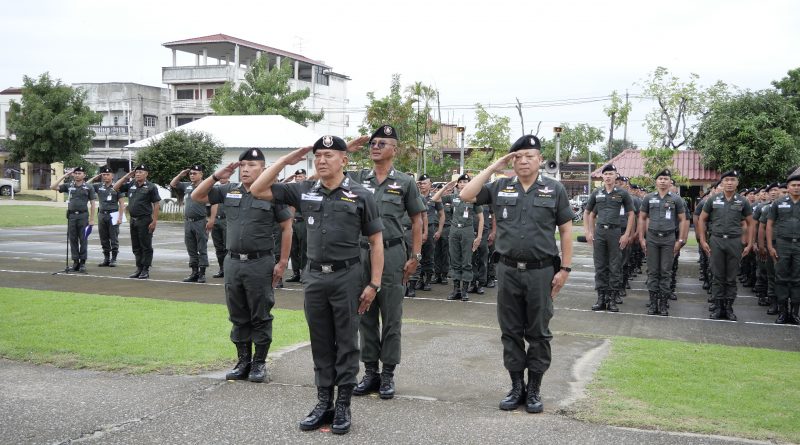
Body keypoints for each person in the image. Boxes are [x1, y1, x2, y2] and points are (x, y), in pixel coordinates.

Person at [250, 135, 384, 435]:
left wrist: (374, 283)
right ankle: (324, 402)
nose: (321, 160)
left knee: (347, 343)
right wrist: (286, 160)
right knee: (321, 341)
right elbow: (257, 189)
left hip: (347, 277)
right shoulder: (304, 191)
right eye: (317, 156)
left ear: (344, 160)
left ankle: (344, 405)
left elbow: (376, 242)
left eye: (328, 155)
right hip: (314, 278)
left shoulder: (361, 195)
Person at [460, 135, 573, 414]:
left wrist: (565, 269)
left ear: (539, 159)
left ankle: (534, 389)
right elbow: (466, 195)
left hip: (541, 271)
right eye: (518, 156)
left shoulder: (554, 189)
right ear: (512, 160)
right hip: (508, 270)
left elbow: (567, 230)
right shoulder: (500, 186)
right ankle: (516, 387)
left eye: (529, 156)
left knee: (539, 333)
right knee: (510, 332)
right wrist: (494, 166)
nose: (523, 161)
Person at [192, 148, 293, 385]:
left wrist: (282, 262)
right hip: (233, 261)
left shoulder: (271, 194)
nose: (246, 169)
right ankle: (243, 361)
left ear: (263, 169)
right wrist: (217, 176)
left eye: (252, 165)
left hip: (260, 262)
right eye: (243, 165)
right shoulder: (230, 190)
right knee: (238, 314)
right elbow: (197, 197)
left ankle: (259, 363)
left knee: (260, 313)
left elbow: (287, 226)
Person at [346, 125, 425, 401]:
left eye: (382, 143)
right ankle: (370, 372)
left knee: (391, 316)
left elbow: (417, 220)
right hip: (361, 254)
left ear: (395, 149)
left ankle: (388, 373)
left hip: (392, 254)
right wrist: (344, 150)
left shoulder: (405, 182)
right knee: (364, 313)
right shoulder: (356, 178)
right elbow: (323, 174)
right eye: (373, 143)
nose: (375, 147)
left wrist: (415, 255)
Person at [697, 170, 754, 321]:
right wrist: (703, 240)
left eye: (732, 180)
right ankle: (717, 307)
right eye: (726, 180)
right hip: (716, 240)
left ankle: (728, 308)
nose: (729, 182)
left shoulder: (743, 201)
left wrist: (749, 243)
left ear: (737, 183)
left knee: (731, 276)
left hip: (734, 242)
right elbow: (702, 219)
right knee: (717, 275)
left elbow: (751, 223)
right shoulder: (712, 200)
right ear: (722, 183)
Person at [584, 164, 634, 312]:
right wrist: (588, 231)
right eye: (605, 174)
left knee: (615, 266)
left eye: (610, 174)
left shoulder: (623, 194)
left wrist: (626, 234)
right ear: (602, 176)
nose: (608, 176)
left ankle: (612, 299)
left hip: (615, 232)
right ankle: (601, 298)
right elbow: (588, 213)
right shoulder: (596, 193)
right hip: (600, 232)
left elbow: (631, 214)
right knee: (600, 266)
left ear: (615, 175)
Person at [637, 169, 688, 316]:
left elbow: (683, 220)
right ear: (656, 181)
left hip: (668, 239)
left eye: (666, 178)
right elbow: (642, 218)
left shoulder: (676, 199)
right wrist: (642, 238)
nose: (663, 181)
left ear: (670, 181)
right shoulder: (648, 198)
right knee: (653, 271)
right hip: (652, 238)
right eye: (660, 178)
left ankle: (664, 304)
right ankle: (653, 304)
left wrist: (680, 240)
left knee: (665, 272)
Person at [432, 176, 484, 301]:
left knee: (466, 261)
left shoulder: (473, 199)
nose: (462, 184)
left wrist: (479, 237)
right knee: (455, 260)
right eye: (460, 182)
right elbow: (435, 198)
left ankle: (465, 291)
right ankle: (456, 290)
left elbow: (481, 218)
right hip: (454, 230)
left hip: (467, 230)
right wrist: (446, 187)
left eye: (465, 182)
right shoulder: (453, 197)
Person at [113, 164, 161, 279]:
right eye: (136, 172)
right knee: (136, 246)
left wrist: (154, 221)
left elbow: (156, 204)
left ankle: (145, 269)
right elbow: (115, 187)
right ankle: (139, 268)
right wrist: (126, 176)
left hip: (145, 220)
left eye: (141, 172)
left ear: (146, 174)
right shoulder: (131, 184)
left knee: (146, 246)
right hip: (133, 220)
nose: (138, 174)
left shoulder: (151, 187)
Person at [767, 172, 800, 324]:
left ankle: (794, 312)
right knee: (781, 278)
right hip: (782, 244)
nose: (796, 188)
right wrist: (769, 245)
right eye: (793, 185)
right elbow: (770, 224)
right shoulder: (778, 203)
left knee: (797, 279)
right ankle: (782, 312)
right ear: (788, 187)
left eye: (799, 185)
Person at [170, 165, 211, 283]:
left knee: (201, 247)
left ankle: (202, 273)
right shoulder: (187, 185)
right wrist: (181, 175)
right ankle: (194, 272)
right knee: (191, 248)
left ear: (201, 174)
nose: (192, 175)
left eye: (195, 173)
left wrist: (211, 220)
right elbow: (173, 184)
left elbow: (213, 204)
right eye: (191, 173)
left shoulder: (205, 186)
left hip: (200, 221)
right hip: (188, 221)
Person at [51, 167, 97, 273]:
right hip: (71, 217)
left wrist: (91, 219)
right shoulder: (69, 186)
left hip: (83, 216)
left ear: (84, 175)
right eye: (75, 173)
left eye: (79, 173)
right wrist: (64, 176)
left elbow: (93, 204)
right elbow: (53, 187)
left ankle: (83, 263)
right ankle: (75, 262)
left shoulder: (89, 187)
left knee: (83, 239)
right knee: (73, 240)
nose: (77, 175)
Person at [88, 166, 125, 268]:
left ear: (112, 175)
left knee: (113, 238)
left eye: (107, 174)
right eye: (103, 174)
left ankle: (113, 259)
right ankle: (106, 258)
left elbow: (122, 203)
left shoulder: (117, 186)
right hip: (102, 214)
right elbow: (86, 185)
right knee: (103, 238)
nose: (105, 176)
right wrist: (96, 177)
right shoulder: (99, 186)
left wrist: (120, 217)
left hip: (113, 214)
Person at [286, 169, 309, 283]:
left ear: (305, 177)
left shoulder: (309, 189)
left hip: (303, 222)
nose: (298, 178)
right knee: (293, 249)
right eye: (297, 177)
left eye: (301, 176)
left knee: (304, 249)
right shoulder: (293, 190)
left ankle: (304, 272)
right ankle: (296, 273)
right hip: (293, 222)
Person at [210, 175, 229, 279]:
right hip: (216, 220)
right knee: (218, 247)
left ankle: (228, 270)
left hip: (226, 219)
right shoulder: (216, 189)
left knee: (227, 247)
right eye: (220, 177)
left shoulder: (232, 189)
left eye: (224, 177)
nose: (222, 178)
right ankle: (221, 269)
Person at [433, 182, 452, 285]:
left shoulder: (450, 201)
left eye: (445, 190)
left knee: (445, 253)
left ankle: (444, 274)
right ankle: (436, 274)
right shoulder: (436, 200)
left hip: (447, 228)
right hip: (435, 227)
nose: (444, 191)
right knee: (436, 253)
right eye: (440, 189)